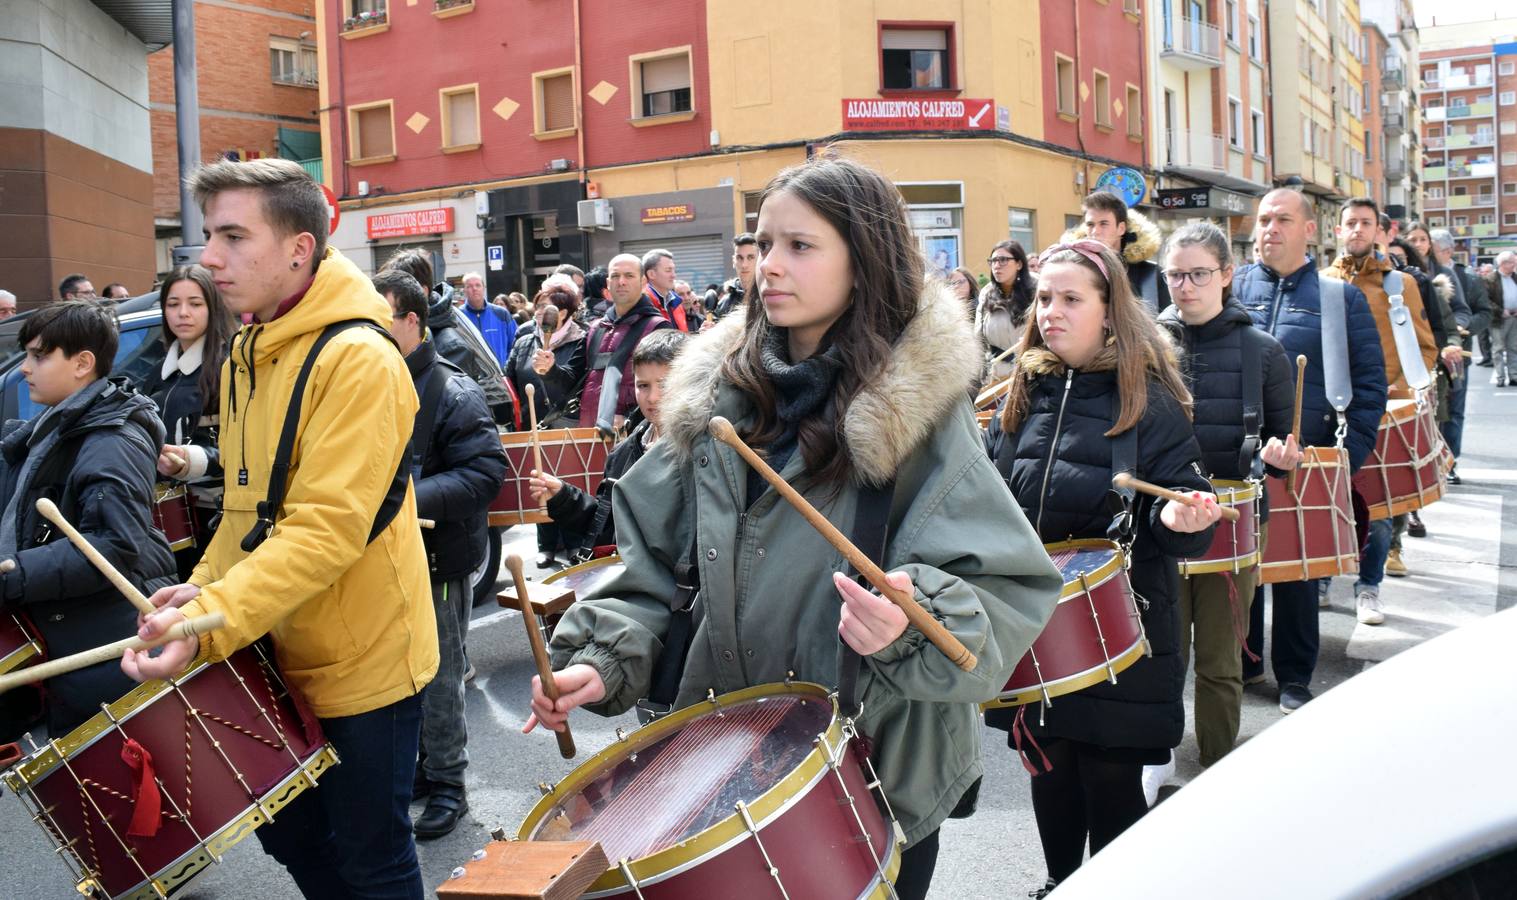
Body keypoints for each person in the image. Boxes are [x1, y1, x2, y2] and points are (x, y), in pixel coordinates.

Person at [529, 157, 1062, 900]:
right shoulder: (716, 404)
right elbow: (649, 565)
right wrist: (599, 657)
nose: (767, 265)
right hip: (728, 758)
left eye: (799, 246)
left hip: (875, 769)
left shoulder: (921, 416)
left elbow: (1008, 587)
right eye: (762, 242)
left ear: (863, 260)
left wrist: (911, 623)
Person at [122, 157, 437, 899]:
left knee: (373, 860)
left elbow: (323, 530)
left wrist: (207, 622)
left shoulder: (358, 359)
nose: (208, 258)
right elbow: (245, 514)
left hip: (365, 664)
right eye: (209, 235)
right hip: (272, 646)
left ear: (299, 248)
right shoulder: (248, 351)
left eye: (233, 235)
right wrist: (192, 595)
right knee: (290, 835)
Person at [983, 239, 1219, 896]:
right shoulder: (1017, 394)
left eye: (1069, 299)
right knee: (1050, 767)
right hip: (1039, 626)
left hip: (1127, 628)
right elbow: (988, 498)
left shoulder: (1149, 399)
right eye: (1044, 298)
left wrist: (1177, 520)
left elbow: (1175, 496)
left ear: (1109, 312)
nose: (1050, 312)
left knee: (1111, 779)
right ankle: (1059, 883)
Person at [1233, 188, 1386, 713]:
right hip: (1237, 455)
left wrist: (1347, 462)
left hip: (1307, 458)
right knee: (1239, 567)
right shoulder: (1231, 289)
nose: (1269, 228)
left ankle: (1296, 676)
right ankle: (1245, 662)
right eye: (1263, 220)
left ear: (1309, 230)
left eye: (1281, 219)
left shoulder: (1339, 297)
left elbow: (1369, 386)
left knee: (1297, 575)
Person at [1155, 223, 1300, 768]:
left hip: (1234, 520)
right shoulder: (1144, 345)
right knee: (1163, 653)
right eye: (1175, 275)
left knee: (1219, 656)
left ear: (1226, 275)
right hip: (1160, 516)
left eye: (1198, 274)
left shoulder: (1264, 352)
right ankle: (1155, 756)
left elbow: (1284, 443)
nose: (1185, 286)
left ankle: (1217, 764)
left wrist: (1283, 459)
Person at [0, 302, 178, 743]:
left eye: (39, 356)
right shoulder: (57, 425)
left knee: (126, 789)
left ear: (82, 363)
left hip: (109, 635)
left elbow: (115, 545)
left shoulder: (111, 439)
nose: (25, 368)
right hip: (80, 632)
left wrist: (16, 573)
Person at [374, 269, 506, 840]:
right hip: (380, 559)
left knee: (440, 675)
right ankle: (423, 772)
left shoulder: (452, 390)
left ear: (412, 321)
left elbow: (485, 474)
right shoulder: (369, 382)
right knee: (396, 676)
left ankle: (449, 782)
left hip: (436, 557)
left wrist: (405, 499)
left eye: (379, 321)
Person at [1324, 198, 1442, 601]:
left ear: (1380, 232)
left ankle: (1368, 586)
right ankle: (1322, 577)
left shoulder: (1400, 284)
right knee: (1326, 500)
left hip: (1381, 414)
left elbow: (1426, 351)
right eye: (1350, 223)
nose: (1357, 229)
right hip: (1326, 413)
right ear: (1337, 231)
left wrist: (1403, 392)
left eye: (1365, 223)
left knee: (1377, 510)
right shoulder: (1321, 281)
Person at [529, 329, 689, 560]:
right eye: (643, 385)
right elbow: (608, 527)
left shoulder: (699, 452)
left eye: (663, 385)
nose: (652, 397)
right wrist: (563, 497)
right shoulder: (623, 452)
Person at [140, 264, 238, 581]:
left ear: (213, 306)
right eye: (173, 304)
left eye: (195, 304)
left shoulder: (230, 366)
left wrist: (190, 461)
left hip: (217, 517)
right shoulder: (158, 373)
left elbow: (247, 447)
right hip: (165, 517)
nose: (183, 313)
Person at [382, 248, 517, 428]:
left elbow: (447, 420)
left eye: (392, 296)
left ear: (421, 291)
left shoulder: (451, 346)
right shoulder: (430, 327)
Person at [507, 282, 588, 568]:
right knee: (540, 482)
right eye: (538, 306)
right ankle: (546, 545)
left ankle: (575, 542)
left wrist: (551, 370)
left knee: (567, 483)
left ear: (564, 312)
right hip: (533, 424)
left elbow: (571, 381)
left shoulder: (581, 339)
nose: (540, 313)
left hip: (566, 423)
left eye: (547, 308)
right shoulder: (525, 339)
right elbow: (511, 375)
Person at [576, 253, 673, 437]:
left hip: (636, 436)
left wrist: (629, 417)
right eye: (615, 276)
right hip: (589, 435)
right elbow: (573, 378)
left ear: (643, 282)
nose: (621, 282)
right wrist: (549, 371)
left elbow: (666, 387)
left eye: (629, 276)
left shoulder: (658, 326)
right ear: (607, 283)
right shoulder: (596, 328)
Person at [1425, 229, 1490, 483]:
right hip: (1431, 353)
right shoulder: (1421, 272)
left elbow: (1483, 313)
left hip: (1457, 354)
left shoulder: (1468, 278)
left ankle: (1450, 462)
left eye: (1434, 248)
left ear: (1449, 251)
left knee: (1454, 410)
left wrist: (1462, 328)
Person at [1073, 191, 1170, 312]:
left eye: (1103, 224)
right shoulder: (1073, 270)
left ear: (1121, 228)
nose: (1095, 231)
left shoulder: (1150, 275)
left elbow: (1165, 325)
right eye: (1090, 224)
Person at [977, 239, 1035, 383]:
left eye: (1003, 260)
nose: (997, 266)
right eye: (993, 261)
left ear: (1019, 264)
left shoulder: (1037, 289)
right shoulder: (987, 293)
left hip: (1031, 373)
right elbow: (978, 338)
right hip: (996, 376)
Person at [458, 271, 518, 367]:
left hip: (500, 375)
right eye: (469, 286)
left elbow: (515, 344)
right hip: (470, 378)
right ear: (464, 290)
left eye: (478, 285)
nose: (474, 289)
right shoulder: (458, 316)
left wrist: (507, 368)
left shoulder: (501, 313)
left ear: (484, 288)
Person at [1481, 251, 1517, 387]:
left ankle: (1514, 376)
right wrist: (1501, 311)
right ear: (1503, 263)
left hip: (1514, 318)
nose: (1515, 264)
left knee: (1513, 348)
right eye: (1512, 262)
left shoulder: (1515, 277)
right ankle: (1500, 377)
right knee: (1498, 348)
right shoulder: (1490, 279)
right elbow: (1486, 300)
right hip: (1498, 319)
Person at [640, 248, 688, 331]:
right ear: (651, 274)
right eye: (668, 270)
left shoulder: (676, 302)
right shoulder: (642, 304)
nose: (674, 275)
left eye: (674, 270)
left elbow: (682, 338)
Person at [713, 233, 759, 319]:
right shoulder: (725, 303)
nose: (744, 265)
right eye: (740, 258)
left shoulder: (770, 297)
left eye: (750, 257)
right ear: (733, 261)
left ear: (760, 260)